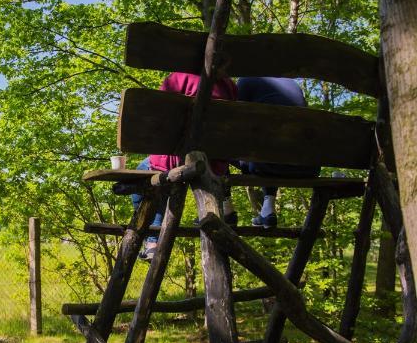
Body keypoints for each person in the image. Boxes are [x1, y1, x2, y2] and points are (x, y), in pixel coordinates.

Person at [131, 71, 238, 261]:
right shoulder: (228, 84)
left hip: (177, 161)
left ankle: (152, 242)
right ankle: (220, 210)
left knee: (140, 175)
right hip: (214, 163)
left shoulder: (177, 78)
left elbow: (159, 121)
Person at [236, 76, 320, 228]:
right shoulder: (292, 83)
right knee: (271, 149)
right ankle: (268, 210)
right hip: (309, 168)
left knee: (216, 144)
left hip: (266, 165)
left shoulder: (246, 80)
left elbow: (233, 123)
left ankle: (225, 208)